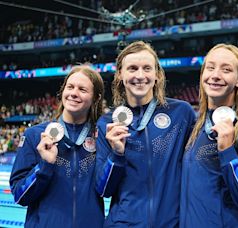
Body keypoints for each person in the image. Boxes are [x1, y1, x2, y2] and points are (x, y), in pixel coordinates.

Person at [95, 41, 196, 227]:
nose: (140, 76)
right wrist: (116, 154)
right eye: (132, 68)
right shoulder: (107, 124)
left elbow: (198, 169)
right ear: (120, 74)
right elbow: (104, 190)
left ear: (157, 75)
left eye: (147, 68)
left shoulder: (181, 113)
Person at [10, 65, 105, 227]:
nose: (74, 93)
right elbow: (20, 196)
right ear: (63, 91)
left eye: (82, 89)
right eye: (70, 87)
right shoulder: (35, 135)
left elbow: (108, 189)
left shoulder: (101, 138)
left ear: (96, 98)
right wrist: (44, 166)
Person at [180, 44, 238, 227]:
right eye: (210, 68)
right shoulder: (195, 126)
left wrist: (228, 153)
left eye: (226, 70)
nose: (215, 75)